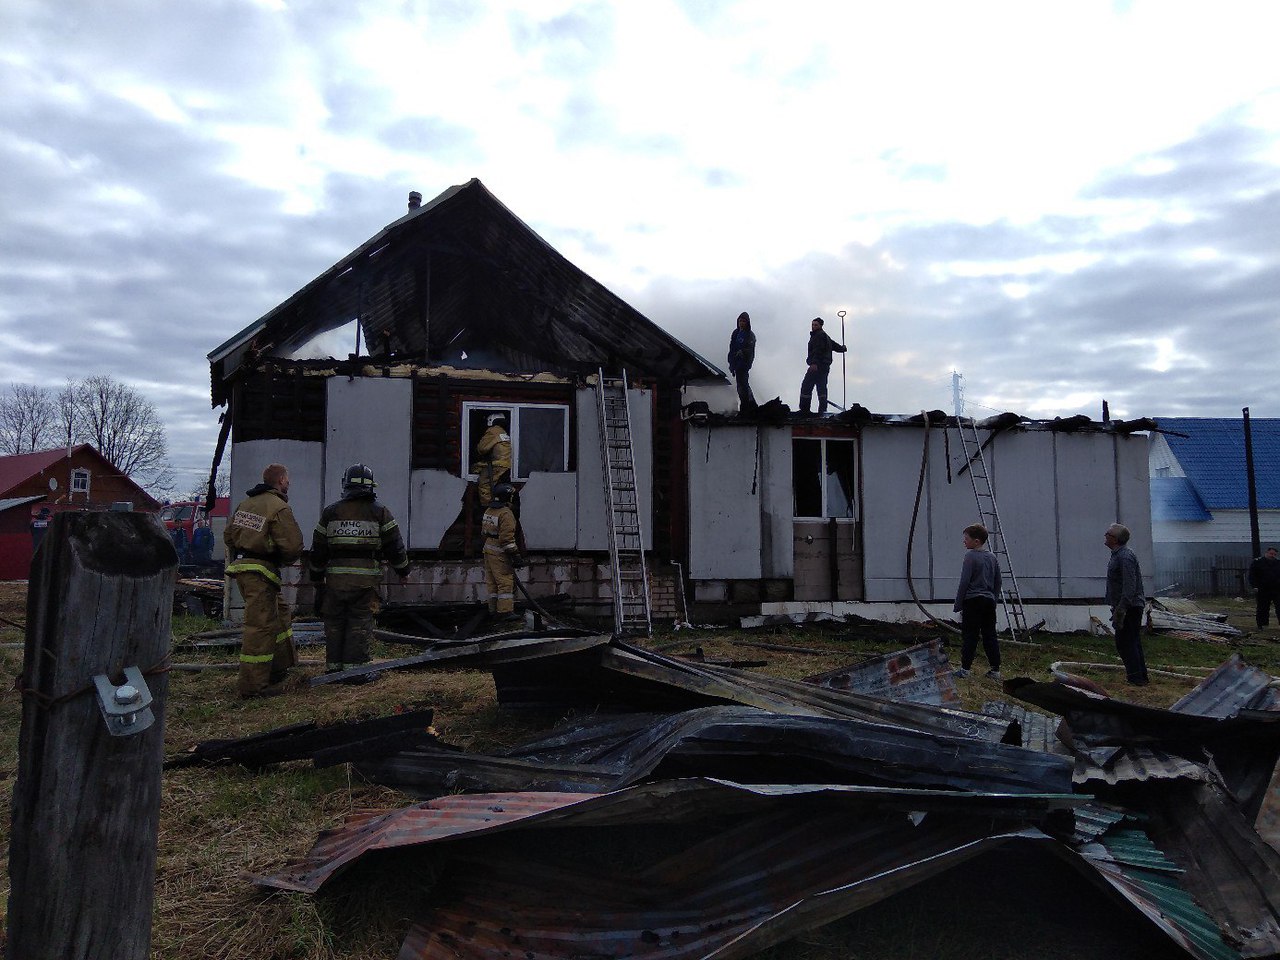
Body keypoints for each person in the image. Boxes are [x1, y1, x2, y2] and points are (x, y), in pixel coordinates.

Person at [308, 463, 409, 681]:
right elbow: (395, 545)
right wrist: (403, 571)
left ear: (345, 485)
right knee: (359, 623)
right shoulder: (379, 512)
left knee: (334, 623)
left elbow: (318, 549)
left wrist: (316, 576)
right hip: (364, 582)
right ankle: (355, 671)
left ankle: (334, 669)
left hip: (334, 581)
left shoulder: (331, 513)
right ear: (371, 487)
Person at [224, 463, 304, 698]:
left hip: (245, 570)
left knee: (279, 616)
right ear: (280, 480)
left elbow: (229, 535)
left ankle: (280, 669)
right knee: (260, 627)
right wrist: (276, 555)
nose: (289, 483)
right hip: (262, 571)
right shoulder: (278, 507)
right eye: (287, 479)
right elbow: (292, 546)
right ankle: (253, 688)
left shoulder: (245, 504)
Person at [952, 523, 1003, 680]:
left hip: (973, 601)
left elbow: (965, 581)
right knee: (990, 635)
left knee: (970, 635)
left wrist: (958, 604)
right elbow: (998, 581)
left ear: (976, 541)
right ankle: (995, 670)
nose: (964, 542)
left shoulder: (970, 556)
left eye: (966, 538)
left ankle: (965, 669)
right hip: (988, 601)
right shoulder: (992, 557)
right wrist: (993, 598)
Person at [1104, 523, 1149, 686]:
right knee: (1131, 640)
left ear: (1115, 539)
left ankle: (1136, 678)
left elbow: (1129, 586)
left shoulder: (1125, 556)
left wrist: (1121, 609)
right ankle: (1140, 676)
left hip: (1129, 607)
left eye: (1108, 534)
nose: (1105, 535)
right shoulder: (1117, 555)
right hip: (1125, 606)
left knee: (1125, 642)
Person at [482, 481, 526, 622]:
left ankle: (493, 610)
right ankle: (505, 612)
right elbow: (507, 539)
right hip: (500, 552)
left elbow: (484, 532)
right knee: (505, 582)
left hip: (488, 548)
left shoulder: (489, 511)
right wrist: (516, 556)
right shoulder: (506, 514)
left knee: (493, 582)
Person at [798, 316, 847, 415]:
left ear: (820, 326)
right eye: (812, 324)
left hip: (817, 366)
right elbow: (834, 346)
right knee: (822, 388)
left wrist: (814, 363)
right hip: (825, 367)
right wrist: (842, 348)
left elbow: (818, 350)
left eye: (815, 325)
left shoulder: (818, 336)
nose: (813, 327)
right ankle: (822, 411)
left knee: (806, 386)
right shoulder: (826, 337)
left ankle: (804, 410)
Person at [475, 412, 511, 506]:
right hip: (505, 465)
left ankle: (487, 507)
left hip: (497, 464)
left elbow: (482, 448)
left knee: (484, 484)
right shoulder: (503, 432)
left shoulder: (492, 431)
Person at [727, 311, 757, 412]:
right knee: (740, 386)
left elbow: (751, 351)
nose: (741, 323)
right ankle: (747, 405)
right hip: (736, 364)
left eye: (744, 321)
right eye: (740, 321)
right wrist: (731, 364)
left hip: (743, 365)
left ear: (747, 322)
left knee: (743, 385)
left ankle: (748, 406)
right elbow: (731, 349)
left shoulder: (750, 335)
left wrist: (743, 353)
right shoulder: (735, 333)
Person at [1248, 546, 1280, 629]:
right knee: (1263, 608)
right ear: (1266, 553)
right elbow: (1252, 575)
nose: (1272, 555)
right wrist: (1254, 586)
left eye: (1274, 554)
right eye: (1271, 553)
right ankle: (1262, 624)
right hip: (1262, 589)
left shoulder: (1278, 563)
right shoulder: (1258, 562)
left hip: (1276, 589)